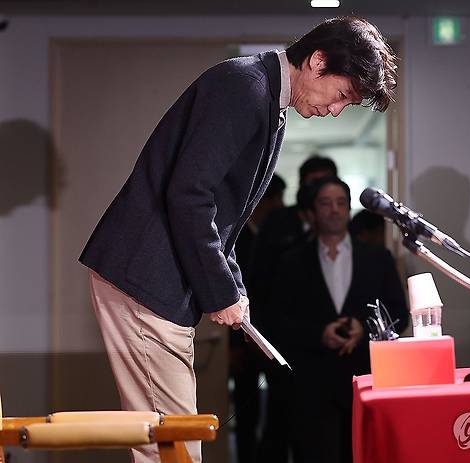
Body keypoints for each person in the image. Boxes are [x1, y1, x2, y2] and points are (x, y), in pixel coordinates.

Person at [78, 16, 398, 463]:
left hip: (156, 278)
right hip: (146, 276)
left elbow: (222, 216)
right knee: (169, 446)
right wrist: (220, 291)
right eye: (342, 94)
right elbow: (189, 195)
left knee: (171, 442)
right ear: (317, 60)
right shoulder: (244, 86)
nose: (336, 110)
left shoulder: (266, 98)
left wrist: (235, 290)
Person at [271, 176, 408, 463]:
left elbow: (399, 313)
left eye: (341, 203)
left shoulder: (377, 258)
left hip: (368, 380)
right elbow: (278, 322)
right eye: (325, 203)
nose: (334, 209)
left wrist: (365, 328)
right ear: (313, 211)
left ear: (349, 209)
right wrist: (319, 334)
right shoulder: (291, 261)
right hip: (312, 386)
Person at [250, 154, 337, 463]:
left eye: (325, 183)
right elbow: (257, 281)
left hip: (326, 345)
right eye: (313, 183)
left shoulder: (337, 225)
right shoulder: (279, 221)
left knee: (319, 434)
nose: (319, 190)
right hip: (281, 337)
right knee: (278, 423)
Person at [231, 173, 285, 463]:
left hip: (271, 337)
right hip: (242, 338)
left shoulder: (275, 238)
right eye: (275, 200)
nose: (279, 206)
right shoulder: (238, 235)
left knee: (276, 408)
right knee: (246, 412)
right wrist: (233, 346)